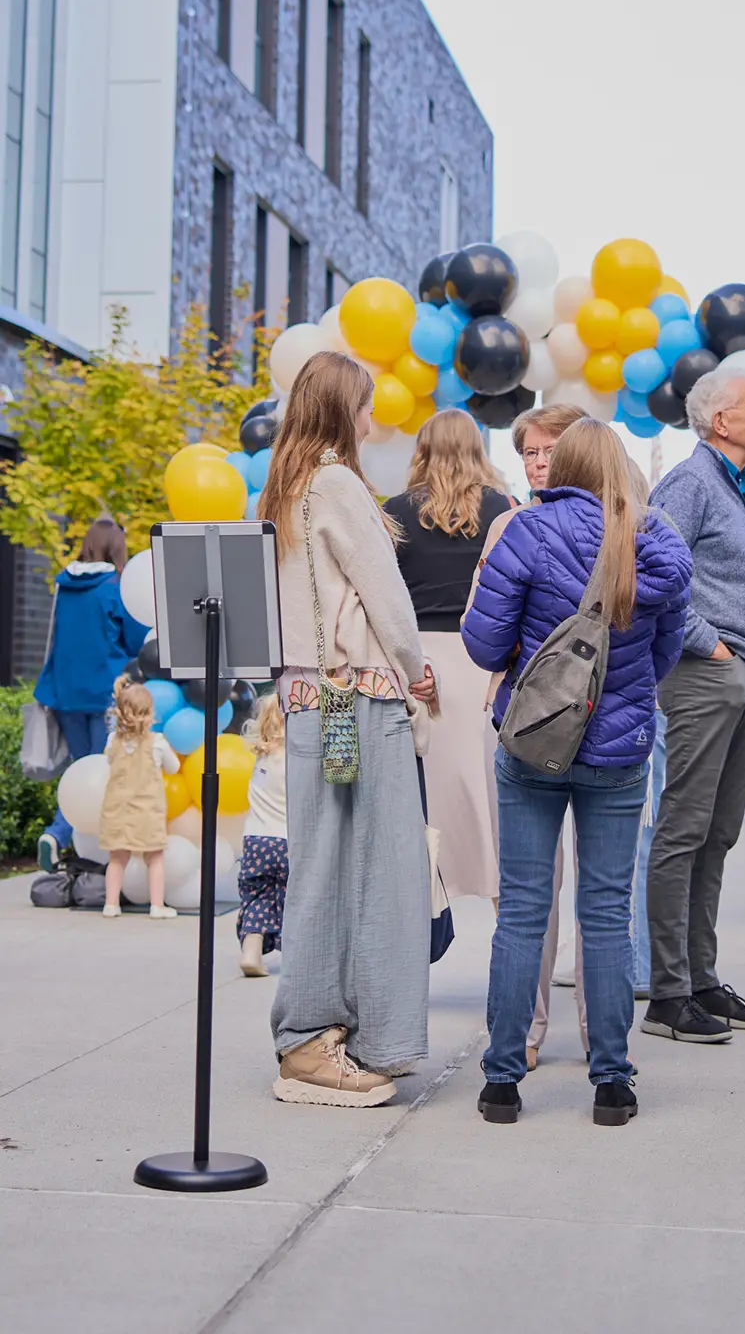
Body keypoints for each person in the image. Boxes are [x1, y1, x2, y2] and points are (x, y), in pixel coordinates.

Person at [462, 417, 692, 1126]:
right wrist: (617, 700)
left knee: (523, 911)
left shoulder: (526, 533)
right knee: (606, 913)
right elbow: (666, 651)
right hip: (618, 755)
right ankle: (612, 1083)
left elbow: (483, 642)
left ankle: (503, 1082)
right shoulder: (654, 542)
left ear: (558, 466)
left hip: (533, 745)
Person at [256, 350, 438, 1109]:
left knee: (332, 860)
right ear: (342, 409)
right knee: (381, 869)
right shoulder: (336, 482)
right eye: (364, 406)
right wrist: (417, 669)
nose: (372, 419)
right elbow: (386, 597)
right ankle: (323, 1041)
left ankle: (332, 1035)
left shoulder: (283, 486)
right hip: (356, 698)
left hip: (320, 702)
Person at [643, 368, 745, 1043]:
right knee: (683, 832)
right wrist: (712, 650)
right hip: (706, 676)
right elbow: (650, 568)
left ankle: (700, 981)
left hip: (744, 678)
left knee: (717, 836)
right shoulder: (692, 482)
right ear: (719, 421)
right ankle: (667, 996)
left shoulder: (738, 491)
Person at [484, 401, 589, 1069]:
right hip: (530, 725)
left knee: (603, 892)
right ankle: (525, 1028)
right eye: (528, 451)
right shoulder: (508, 525)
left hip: (607, 728)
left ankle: (597, 1032)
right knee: (531, 892)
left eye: (550, 449)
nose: (539, 460)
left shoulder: (622, 525)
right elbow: (484, 625)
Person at [384, 408, 514, 903]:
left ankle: (424, 903)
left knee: (423, 797)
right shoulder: (502, 508)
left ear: (422, 449)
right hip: (483, 660)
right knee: (489, 795)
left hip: (417, 665)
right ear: (475, 449)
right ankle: (505, 910)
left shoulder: (394, 511)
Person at [33, 516, 149, 871]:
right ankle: (75, 843)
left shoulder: (63, 586)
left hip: (65, 695)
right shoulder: (115, 588)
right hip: (105, 696)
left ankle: (61, 839)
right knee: (105, 773)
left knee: (79, 770)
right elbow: (134, 640)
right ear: (117, 547)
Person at [98, 679, 180, 918]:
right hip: (147, 810)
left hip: (117, 809)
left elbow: (108, 761)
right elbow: (173, 767)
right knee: (154, 857)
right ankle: (157, 906)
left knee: (117, 858)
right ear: (150, 712)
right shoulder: (158, 743)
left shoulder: (112, 740)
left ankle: (111, 904)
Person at [237, 691, 288, 978]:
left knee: (256, 897)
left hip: (255, 840)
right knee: (292, 898)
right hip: (288, 840)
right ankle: (296, 955)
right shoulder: (295, 760)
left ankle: (251, 953)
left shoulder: (262, 757)